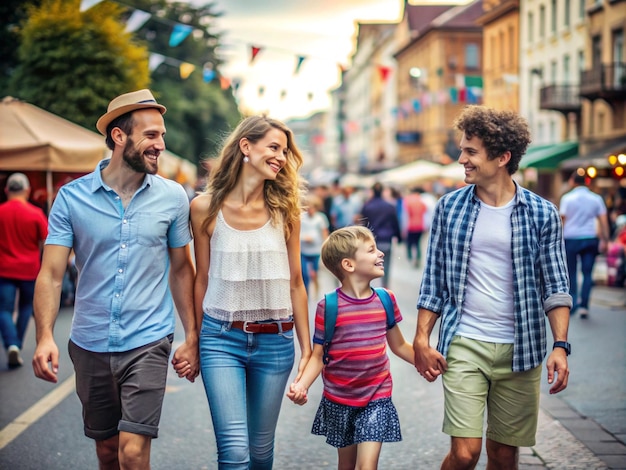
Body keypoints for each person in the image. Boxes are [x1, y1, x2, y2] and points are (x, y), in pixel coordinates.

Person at [32, 89, 199, 469]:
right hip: (89, 342)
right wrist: (44, 337)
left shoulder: (173, 198)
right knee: (107, 450)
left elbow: (181, 269)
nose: (161, 145)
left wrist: (192, 336)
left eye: (162, 135)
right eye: (151, 135)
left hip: (148, 340)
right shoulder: (71, 198)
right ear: (120, 137)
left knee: (133, 451)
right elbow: (52, 273)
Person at [413, 105, 572, 470]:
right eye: (462, 150)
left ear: (502, 157)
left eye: (470, 152)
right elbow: (433, 281)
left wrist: (560, 346)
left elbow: (556, 285)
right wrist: (422, 338)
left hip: (523, 348)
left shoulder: (541, 213)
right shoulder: (448, 208)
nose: (461, 159)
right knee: (466, 453)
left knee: (503, 456)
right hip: (464, 342)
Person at [188, 115, 312, 469]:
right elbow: (202, 279)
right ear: (246, 146)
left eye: (285, 152)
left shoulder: (285, 210)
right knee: (234, 453)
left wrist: (307, 350)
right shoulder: (203, 207)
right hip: (220, 339)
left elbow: (296, 283)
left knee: (260, 453)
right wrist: (195, 339)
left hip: (276, 342)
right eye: (274, 148)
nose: (281, 158)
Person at [286, 226, 414, 470]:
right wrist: (301, 385)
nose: (381, 254)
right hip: (339, 398)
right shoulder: (329, 306)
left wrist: (429, 361)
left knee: (367, 467)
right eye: (371, 250)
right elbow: (318, 355)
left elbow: (399, 345)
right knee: (346, 465)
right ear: (349, 265)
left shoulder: (385, 299)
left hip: (377, 395)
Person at [0, 173, 48, 368]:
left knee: (4, 309)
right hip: (30, 269)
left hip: (3, 270)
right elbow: (47, 241)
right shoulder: (36, 213)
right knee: (27, 307)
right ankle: (16, 343)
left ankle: (12, 343)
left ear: (6, 190)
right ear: (27, 191)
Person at [559, 171, 610, 319]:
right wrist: (605, 240)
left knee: (572, 272)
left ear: (573, 181)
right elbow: (603, 221)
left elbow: (562, 220)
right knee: (587, 273)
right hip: (590, 238)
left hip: (571, 239)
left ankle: (574, 302)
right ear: (586, 182)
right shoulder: (596, 199)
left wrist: (557, 239)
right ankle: (585, 306)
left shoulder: (567, 198)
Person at [359, 182, 402, 288]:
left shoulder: (367, 206)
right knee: (385, 263)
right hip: (386, 238)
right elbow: (395, 222)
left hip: (371, 240)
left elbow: (363, 223)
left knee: (369, 263)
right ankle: (385, 285)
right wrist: (399, 236)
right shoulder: (389, 206)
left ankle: (369, 287)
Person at [300, 193, 330, 296]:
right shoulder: (301, 217)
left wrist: (325, 247)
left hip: (316, 249)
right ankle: (306, 292)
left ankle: (316, 289)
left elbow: (324, 232)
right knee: (304, 273)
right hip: (303, 249)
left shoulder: (321, 218)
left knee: (315, 273)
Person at [402, 186, 428, 267]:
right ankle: (418, 258)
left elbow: (405, 215)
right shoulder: (421, 201)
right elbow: (425, 211)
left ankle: (410, 258)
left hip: (410, 225)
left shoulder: (407, 200)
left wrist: (403, 228)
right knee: (418, 243)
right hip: (420, 225)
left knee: (409, 243)